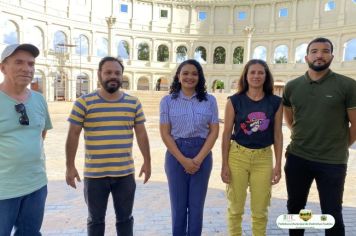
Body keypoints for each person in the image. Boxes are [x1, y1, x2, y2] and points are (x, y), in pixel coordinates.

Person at [65, 56, 151, 236]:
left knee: (125, 219)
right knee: (95, 221)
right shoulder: (84, 102)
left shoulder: (133, 102)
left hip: (125, 174)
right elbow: (73, 134)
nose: (113, 76)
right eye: (108, 72)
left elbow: (141, 133)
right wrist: (70, 166)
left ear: (122, 76)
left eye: (117, 73)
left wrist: (147, 162)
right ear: (99, 75)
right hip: (95, 175)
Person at [282, 37, 356, 236]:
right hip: (298, 158)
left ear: (332, 55)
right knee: (295, 210)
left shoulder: (348, 85)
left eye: (325, 51)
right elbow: (290, 120)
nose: (320, 55)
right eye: (314, 51)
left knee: (332, 213)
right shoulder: (292, 86)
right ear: (306, 56)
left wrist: (338, 146)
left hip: (332, 163)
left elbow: (355, 125)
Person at [221, 59, 283, 236]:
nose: (256, 76)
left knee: (260, 210)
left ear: (266, 76)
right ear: (246, 76)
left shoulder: (275, 102)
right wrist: (224, 164)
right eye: (252, 72)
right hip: (238, 156)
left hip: (263, 159)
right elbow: (226, 134)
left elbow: (278, 135)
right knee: (235, 208)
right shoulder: (234, 101)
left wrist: (278, 164)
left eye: (260, 72)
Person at [159, 59, 219, 236]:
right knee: (178, 208)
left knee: (196, 207)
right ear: (178, 76)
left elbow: (214, 131)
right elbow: (165, 133)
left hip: (202, 153)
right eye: (185, 73)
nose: (189, 77)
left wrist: (198, 159)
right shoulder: (167, 101)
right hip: (176, 154)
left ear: (199, 77)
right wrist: (183, 160)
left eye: (194, 73)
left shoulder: (210, 100)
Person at [0, 44, 52, 235]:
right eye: (19, 62)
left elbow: (41, 134)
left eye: (31, 64)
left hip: (36, 185)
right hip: (3, 190)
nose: (26, 68)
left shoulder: (39, 100)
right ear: (3, 67)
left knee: (30, 233)